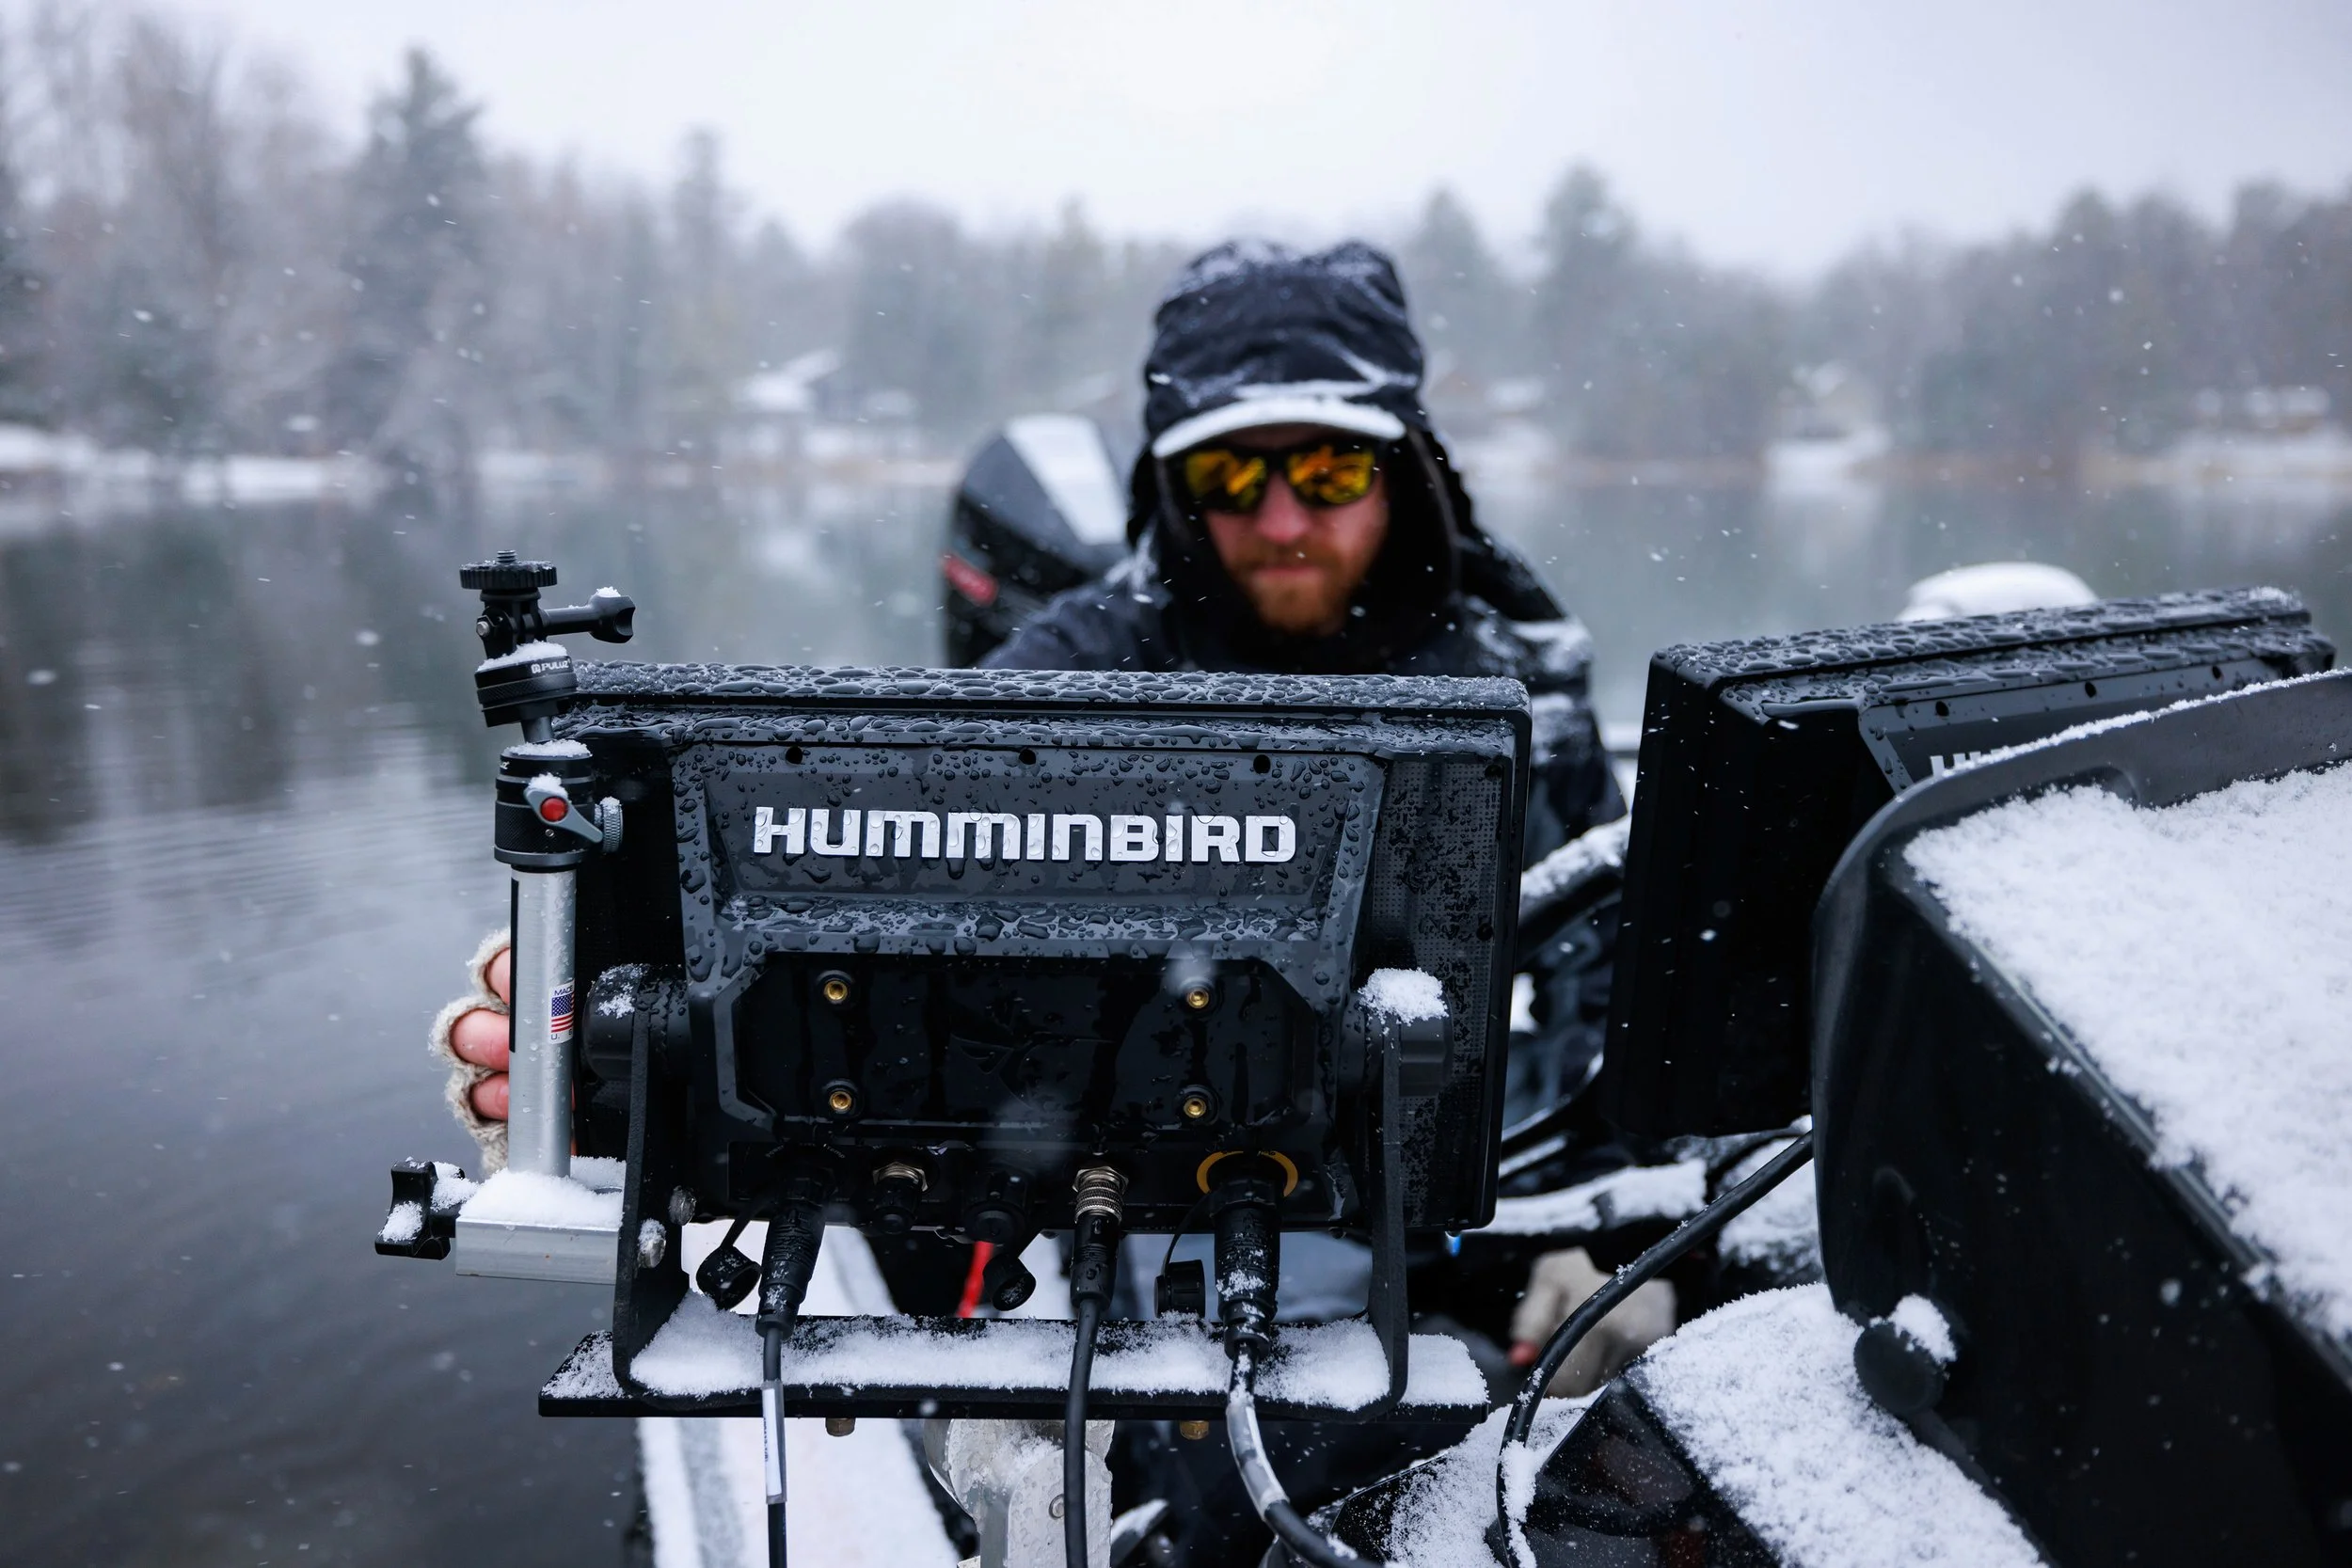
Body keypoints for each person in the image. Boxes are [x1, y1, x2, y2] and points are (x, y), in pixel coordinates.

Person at [433, 240, 1634, 1563]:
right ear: (1173, 483)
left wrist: (1585, 1180)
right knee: (1271, 1476)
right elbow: (881, 879)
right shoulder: (1070, 672)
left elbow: (1599, 946)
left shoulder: (1524, 671)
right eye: (1235, 474)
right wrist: (603, 1018)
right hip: (1167, 1193)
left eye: (1330, 467)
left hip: (1469, 1187)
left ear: (1405, 466)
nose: (1285, 518)